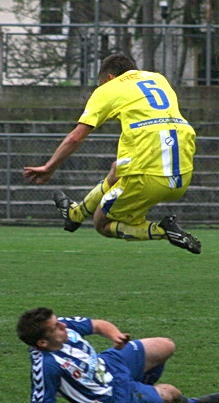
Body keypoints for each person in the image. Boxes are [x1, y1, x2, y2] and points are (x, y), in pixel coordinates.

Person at [23, 53, 201, 254]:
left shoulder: (108, 88)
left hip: (147, 175)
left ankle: (164, 230)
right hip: (183, 172)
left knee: (101, 223)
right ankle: (75, 214)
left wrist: (49, 167)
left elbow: (75, 137)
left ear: (108, 78)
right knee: (117, 169)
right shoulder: (159, 79)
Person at [16, 307, 219, 403]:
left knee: (166, 345)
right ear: (43, 342)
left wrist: (115, 336)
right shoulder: (47, 365)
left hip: (109, 363)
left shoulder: (64, 327)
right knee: (172, 394)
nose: (63, 324)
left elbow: (98, 325)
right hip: (112, 396)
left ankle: (142, 390)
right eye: (55, 327)